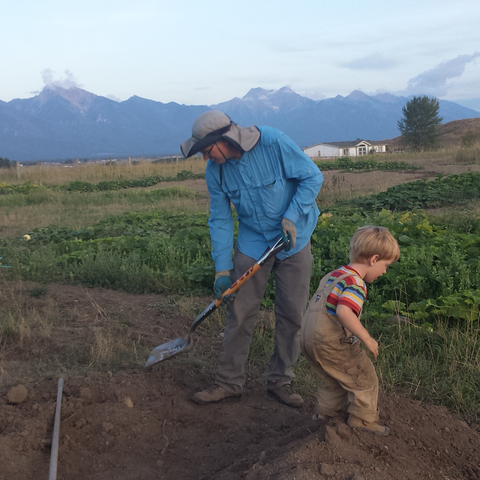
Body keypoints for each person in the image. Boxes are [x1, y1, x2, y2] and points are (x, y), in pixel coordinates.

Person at [180, 110, 323, 407]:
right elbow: (219, 218)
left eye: (207, 151)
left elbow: (312, 177)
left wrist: (291, 217)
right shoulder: (216, 171)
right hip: (253, 241)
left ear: (225, 139)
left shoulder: (274, 143)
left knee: (292, 314)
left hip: (294, 238)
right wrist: (222, 270)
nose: (206, 158)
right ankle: (228, 382)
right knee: (240, 312)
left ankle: (280, 380)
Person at [300, 225, 400, 435]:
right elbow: (344, 312)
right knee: (364, 377)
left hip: (308, 339)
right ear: (373, 259)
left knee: (333, 380)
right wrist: (367, 338)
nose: (384, 272)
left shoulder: (334, 275)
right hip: (330, 341)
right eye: (385, 265)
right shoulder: (356, 283)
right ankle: (363, 422)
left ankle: (326, 415)